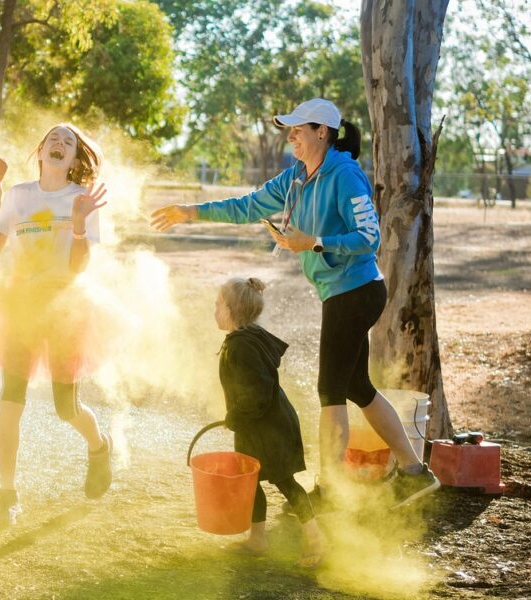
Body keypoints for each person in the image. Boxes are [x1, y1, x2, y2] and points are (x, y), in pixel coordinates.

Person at [151, 98, 439, 509]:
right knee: (357, 387)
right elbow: (248, 206)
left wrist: (314, 242)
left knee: (330, 391)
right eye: (290, 130)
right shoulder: (295, 178)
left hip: (356, 292)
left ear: (323, 132)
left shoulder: (345, 175)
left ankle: (330, 492)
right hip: (341, 293)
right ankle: (414, 472)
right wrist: (191, 212)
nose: (291, 137)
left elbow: (369, 237)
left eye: (298, 130)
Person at [0, 123, 114, 525]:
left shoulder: (81, 199)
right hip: (21, 306)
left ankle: (98, 445)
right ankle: (7, 493)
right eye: (53, 138)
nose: (60, 143)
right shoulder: (18, 195)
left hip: (63, 310)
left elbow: (77, 268)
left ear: (73, 159)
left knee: (65, 406)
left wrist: (79, 224)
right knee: (10, 399)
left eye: (68, 141)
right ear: (41, 151)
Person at [214, 277, 324, 567]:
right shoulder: (242, 339)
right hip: (255, 427)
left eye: (218, 305)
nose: (214, 311)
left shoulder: (243, 346)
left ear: (232, 310)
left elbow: (258, 392)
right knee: (250, 481)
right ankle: (258, 539)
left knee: (285, 482)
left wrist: (236, 415)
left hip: (270, 428)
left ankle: (316, 540)